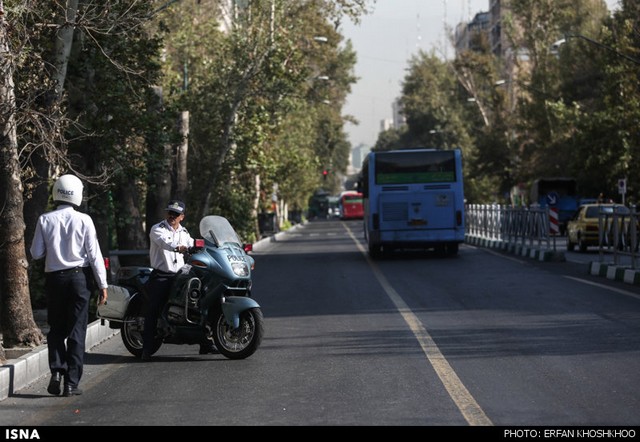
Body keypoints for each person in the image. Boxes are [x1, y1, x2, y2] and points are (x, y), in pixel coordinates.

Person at [30, 174, 108, 397]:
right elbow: (94, 255)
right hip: (78, 279)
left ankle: (56, 371)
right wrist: (103, 285)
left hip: (54, 279)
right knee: (76, 330)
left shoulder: (45, 219)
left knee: (55, 328)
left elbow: (36, 254)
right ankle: (71, 383)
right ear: (77, 194)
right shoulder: (84, 220)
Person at [141, 200, 217, 361]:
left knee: (200, 302)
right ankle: (146, 348)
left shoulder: (184, 232)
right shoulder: (157, 229)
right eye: (170, 212)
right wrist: (179, 247)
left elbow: (193, 243)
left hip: (181, 275)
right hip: (162, 275)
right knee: (153, 309)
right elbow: (166, 243)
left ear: (182, 217)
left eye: (176, 214)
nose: (172, 216)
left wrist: (211, 247)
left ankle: (206, 343)